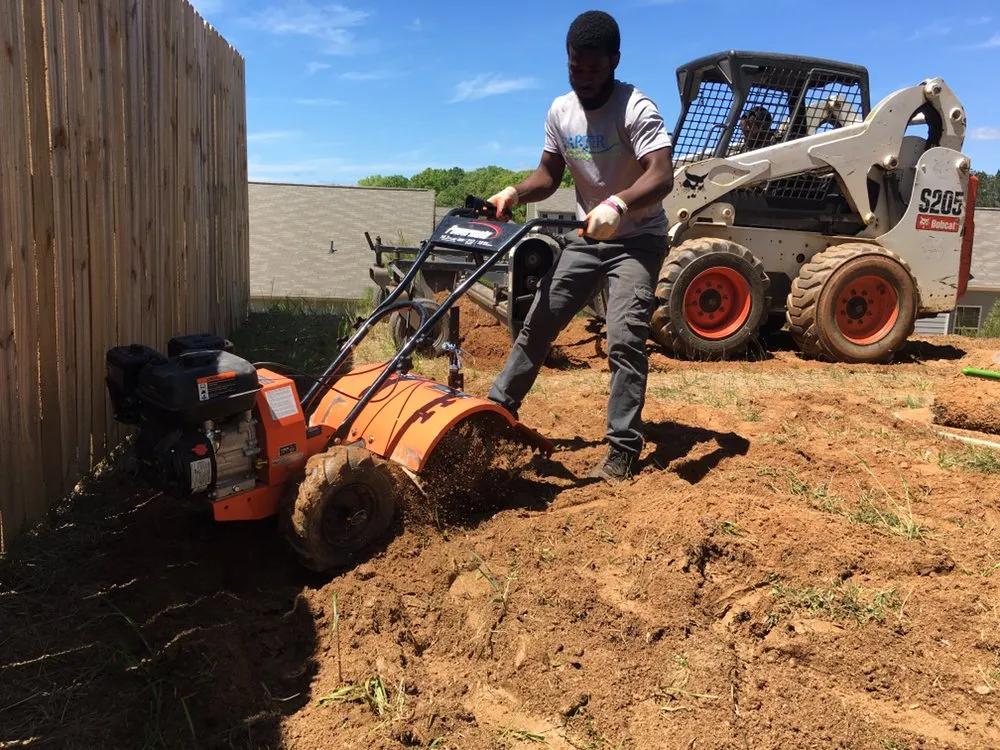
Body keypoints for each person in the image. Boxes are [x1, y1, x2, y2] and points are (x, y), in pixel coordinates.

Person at [484, 10, 675, 482]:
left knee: (625, 340)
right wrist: (514, 192)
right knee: (538, 323)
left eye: (593, 69)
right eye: (575, 68)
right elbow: (549, 176)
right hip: (588, 237)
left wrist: (619, 204)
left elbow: (661, 175)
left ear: (613, 60)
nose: (584, 78)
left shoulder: (636, 109)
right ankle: (493, 417)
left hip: (638, 239)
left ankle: (622, 450)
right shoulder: (560, 111)